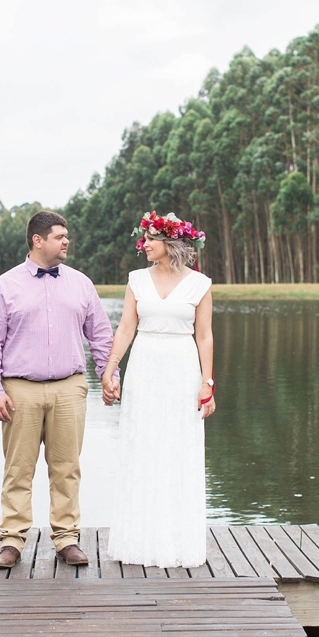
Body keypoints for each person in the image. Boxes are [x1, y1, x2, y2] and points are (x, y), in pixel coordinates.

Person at [0, 210, 118, 569]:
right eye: (59, 236)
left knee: (67, 467)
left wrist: (108, 374)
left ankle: (67, 538)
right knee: (18, 469)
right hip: (18, 390)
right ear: (37, 241)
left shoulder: (81, 284)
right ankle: (12, 540)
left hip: (69, 389)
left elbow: (100, 334)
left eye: (67, 235)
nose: (66, 241)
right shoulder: (5, 286)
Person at [102, 212, 215, 568]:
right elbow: (125, 328)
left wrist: (206, 383)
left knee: (178, 449)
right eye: (144, 238)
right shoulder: (136, 279)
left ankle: (178, 542)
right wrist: (111, 367)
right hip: (145, 367)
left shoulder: (200, 284)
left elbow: (204, 336)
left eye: (150, 238)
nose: (144, 244)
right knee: (144, 447)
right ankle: (139, 541)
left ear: (172, 243)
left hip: (182, 368)